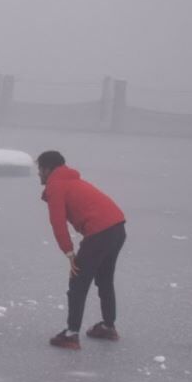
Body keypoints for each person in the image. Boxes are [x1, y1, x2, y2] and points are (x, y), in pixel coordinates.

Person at [37, 150, 126, 350]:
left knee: (78, 282)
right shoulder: (70, 180)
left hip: (100, 232)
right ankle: (108, 326)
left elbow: (57, 222)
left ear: (47, 169)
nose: (38, 174)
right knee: (104, 278)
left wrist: (69, 253)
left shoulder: (56, 186)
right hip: (117, 227)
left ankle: (71, 334)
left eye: (40, 169)